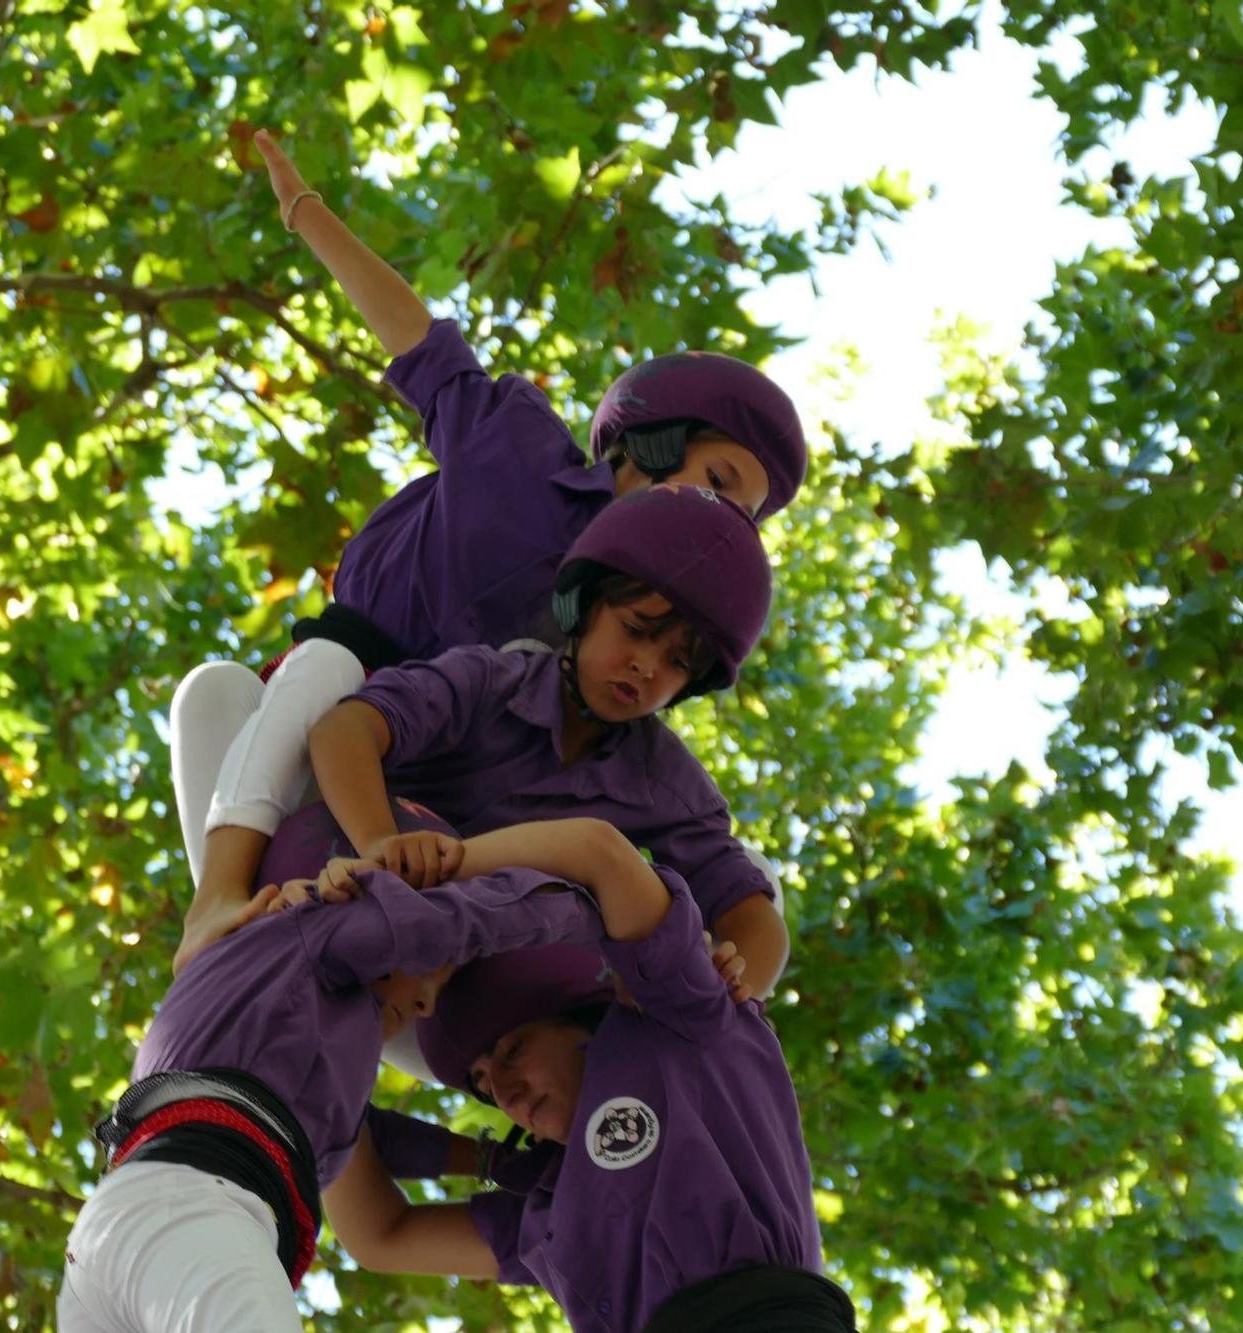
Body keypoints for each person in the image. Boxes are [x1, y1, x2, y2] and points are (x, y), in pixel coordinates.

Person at [174, 128, 810, 975]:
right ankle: (216, 898)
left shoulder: (612, 656)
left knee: (749, 872)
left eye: (745, 513)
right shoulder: (516, 446)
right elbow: (416, 341)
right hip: (358, 703)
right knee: (321, 664)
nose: (726, 514)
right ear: (657, 440)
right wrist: (306, 211)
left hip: (464, 790)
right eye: (721, 477)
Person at [56, 804, 674, 1332]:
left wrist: (490, 1162)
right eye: (440, 968)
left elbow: (366, 1136)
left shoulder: (313, 1049)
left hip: (121, 1244)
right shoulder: (313, 927)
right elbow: (461, 915)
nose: (428, 1003)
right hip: (187, 1207)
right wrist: (609, 922)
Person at [314, 828, 855, 1333]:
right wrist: (330, 1037)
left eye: (515, 1050)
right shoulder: (547, 1215)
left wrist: (408, 882)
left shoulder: (679, 1027)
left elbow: (598, 851)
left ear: (587, 1024)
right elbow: (383, 1234)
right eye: (482, 1086)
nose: (505, 1093)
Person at [307, 482, 791, 1007]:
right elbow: (345, 730)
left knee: (757, 881)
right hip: (348, 889)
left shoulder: (665, 783)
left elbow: (749, 911)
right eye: (634, 629)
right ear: (584, 607)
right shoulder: (486, 680)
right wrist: (379, 839)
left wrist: (728, 987)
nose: (646, 667)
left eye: (678, 664)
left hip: (468, 988)